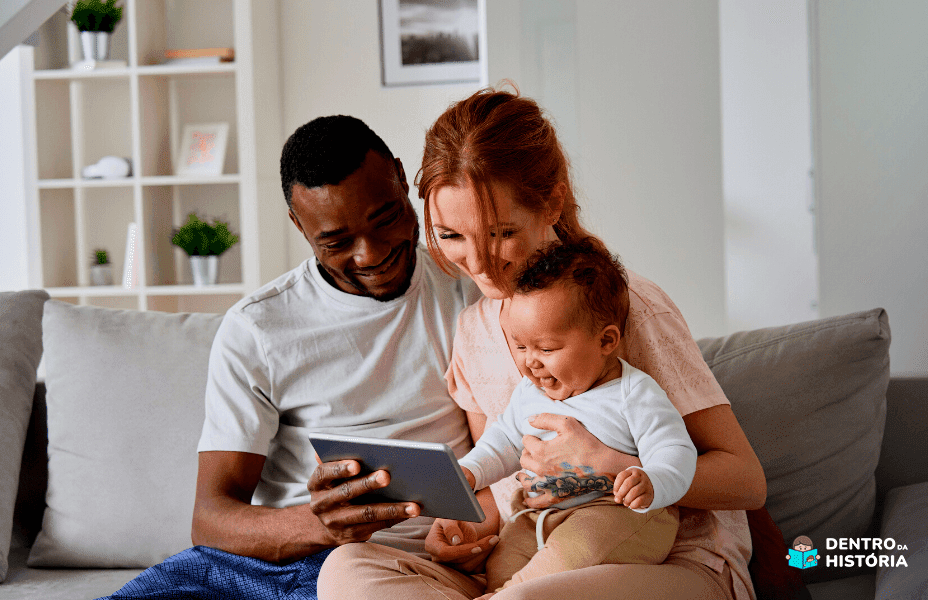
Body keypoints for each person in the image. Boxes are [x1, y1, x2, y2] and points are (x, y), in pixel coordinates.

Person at [317, 87, 766, 600]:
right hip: (532, 547)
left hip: (671, 562)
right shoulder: (473, 331)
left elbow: (747, 481)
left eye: (501, 232)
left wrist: (612, 466)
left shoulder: (625, 308)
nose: (479, 264)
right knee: (347, 568)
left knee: (531, 598)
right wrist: (468, 531)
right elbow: (502, 478)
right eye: (451, 235)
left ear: (551, 201)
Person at [97, 115, 490, 600]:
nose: (370, 254)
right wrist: (319, 526)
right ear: (298, 225)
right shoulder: (257, 328)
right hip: (281, 556)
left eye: (386, 217)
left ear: (399, 176)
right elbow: (211, 516)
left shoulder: (471, 291)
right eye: (337, 242)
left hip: (397, 568)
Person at [448, 239, 697, 598]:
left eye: (546, 349)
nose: (530, 362)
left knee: (577, 550)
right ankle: (503, 590)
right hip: (540, 514)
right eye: (521, 346)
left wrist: (653, 480)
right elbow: (501, 440)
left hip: (616, 512)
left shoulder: (633, 394)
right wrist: (470, 471)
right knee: (504, 558)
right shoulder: (529, 392)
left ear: (606, 340)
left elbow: (675, 449)